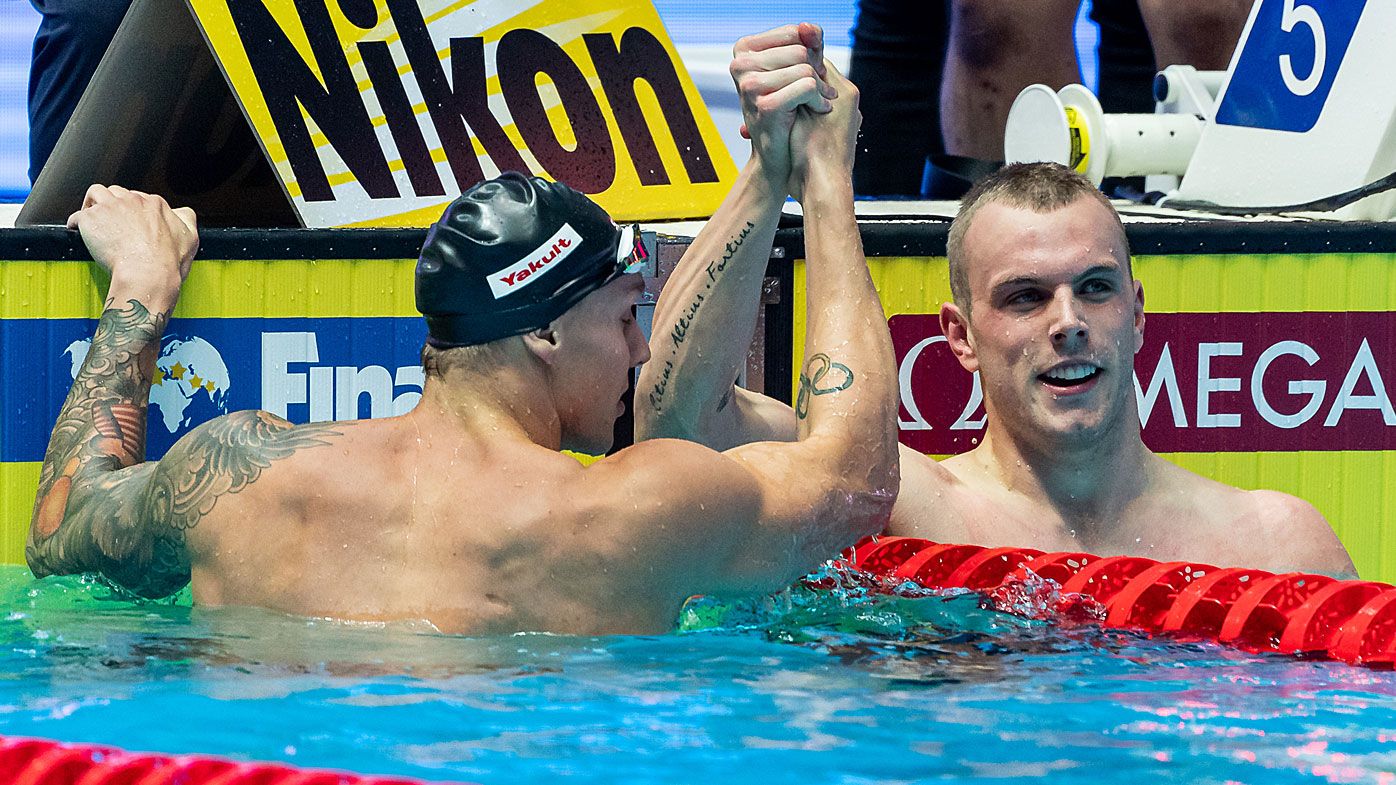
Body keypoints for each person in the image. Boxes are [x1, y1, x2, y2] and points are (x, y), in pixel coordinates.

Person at [25, 58, 900, 634]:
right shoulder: (629, 512)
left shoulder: (243, 472)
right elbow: (855, 483)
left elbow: (59, 528)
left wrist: (140, 289)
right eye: (627, 313)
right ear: (547, 329)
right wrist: (826, 179)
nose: (639, 352)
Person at [637, 28, 1357, 579]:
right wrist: (772, 171)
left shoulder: (1277, 543)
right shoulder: (900, 504)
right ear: (961, 336)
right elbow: (680, 423)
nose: (1068, 322)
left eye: (1096, 288)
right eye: (1025, 297)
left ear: (1138, 312)